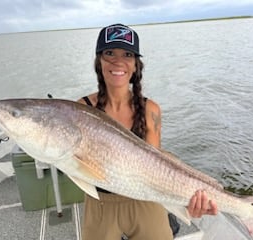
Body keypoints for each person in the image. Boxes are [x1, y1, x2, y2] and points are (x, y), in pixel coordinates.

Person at [78, 23, 218, 240]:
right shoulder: (82, 109)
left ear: (135, 65)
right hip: (100, 202)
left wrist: (185, 201)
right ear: (99, 61)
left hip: (146, 200)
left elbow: (156, 169)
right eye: (109, 53)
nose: (118, 61)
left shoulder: (150, 109)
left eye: (127, 54)